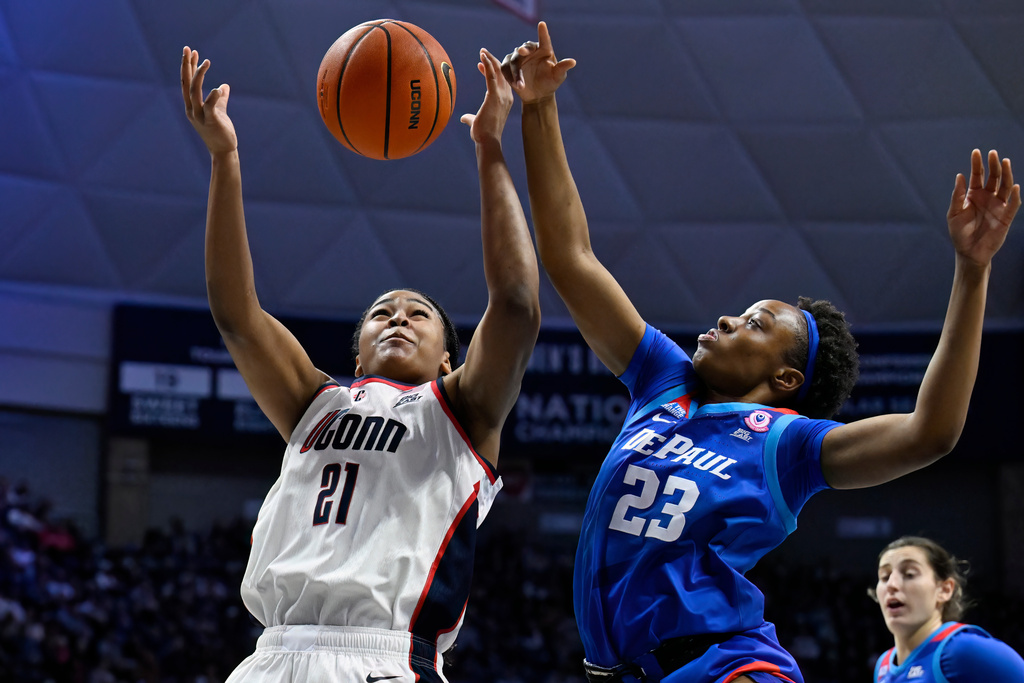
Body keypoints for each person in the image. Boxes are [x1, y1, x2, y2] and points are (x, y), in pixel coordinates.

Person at [499, 21, 1020, 683]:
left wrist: (972, 272)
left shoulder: (791, 445)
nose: (725, 317)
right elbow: (571, 260)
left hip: (728, 666)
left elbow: (931, 433)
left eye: (754, 322)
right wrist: (539, 108)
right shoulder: (663, 378)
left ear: (785, 375)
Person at [180, 43, 540, 683]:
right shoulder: (314, 403)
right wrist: (224, 156)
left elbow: (515, 304)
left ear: (449, 359)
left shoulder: (462, 411)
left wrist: (489, 146)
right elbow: (236, 313)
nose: (398, 316)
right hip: (270, 656)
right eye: (382, 312)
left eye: (418, 313)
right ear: (357, 350)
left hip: (384, 657)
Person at [872, 536, 1024, 681]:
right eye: (885, 577)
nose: (891, 584)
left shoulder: (964, 649)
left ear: (944, 590)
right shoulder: (883, 666)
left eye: (909, 574)